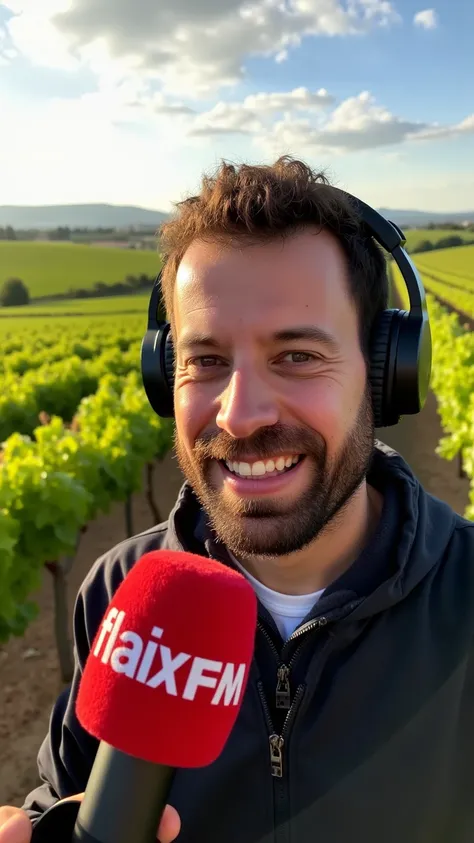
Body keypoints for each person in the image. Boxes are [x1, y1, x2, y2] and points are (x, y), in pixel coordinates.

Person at [1, 156, 474, 843]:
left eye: (297, 356)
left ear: (385, 372)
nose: (239, 414)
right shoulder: (120, 591)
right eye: (207, 360)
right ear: (167, 376)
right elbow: (68, 790)